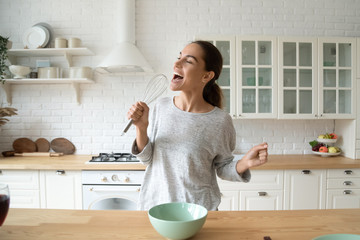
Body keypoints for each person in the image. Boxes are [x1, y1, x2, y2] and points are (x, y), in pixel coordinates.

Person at [127, 40, 268, 211]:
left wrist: (244, 163)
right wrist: (141, 128)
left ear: (206, 76)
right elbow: (148, 159)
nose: (176, 63)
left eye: (188, 61)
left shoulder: (220, 121)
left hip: (198, 213)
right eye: (179, 57)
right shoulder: (161, 107)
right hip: (156, 208)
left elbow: (223, 168)